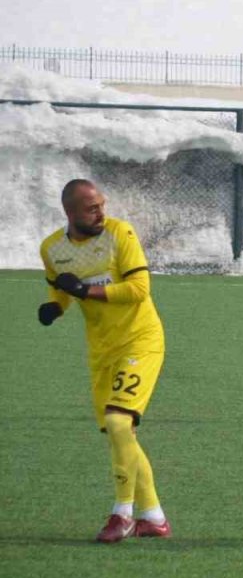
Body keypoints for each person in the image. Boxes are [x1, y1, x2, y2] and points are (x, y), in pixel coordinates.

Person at [38, 179, 173, 543]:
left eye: (102, 204)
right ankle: (154, 516)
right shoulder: (52, 249)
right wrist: (56, 305)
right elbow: (61, 285)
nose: (101, 212)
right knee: (122, 433)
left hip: (141, 340)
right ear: (70, 213)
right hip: (102, 350)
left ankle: (122, 513)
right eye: (91, 208)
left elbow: (139, 290)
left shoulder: (120, 234)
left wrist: (85, 291)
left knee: (117, 422)